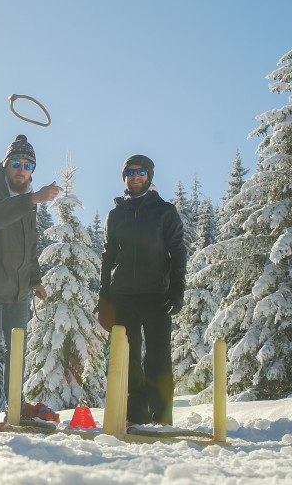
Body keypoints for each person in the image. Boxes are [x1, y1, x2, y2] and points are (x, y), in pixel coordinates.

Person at [0, 134, 62, 426]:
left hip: (19, 291)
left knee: (17, 352)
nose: (22, 170)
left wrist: (35, 279)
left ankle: (15, 410)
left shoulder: (27, 199)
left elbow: (28, 244)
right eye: (17, 164)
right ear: (6, 166)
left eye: (28, 165)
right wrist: (31, 198)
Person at [96, 154, 186, 426]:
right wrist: (103, 296)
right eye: (130, 172)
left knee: (158, 360)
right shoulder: (115, 215)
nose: (135, 176)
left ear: (149, 176)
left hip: (157, 294)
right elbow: (107, 256)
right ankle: (135, 419)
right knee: (129, 361)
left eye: (141, 171)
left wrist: (177, 288)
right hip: (123, 296)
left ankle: (162, 420)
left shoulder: (165, 211)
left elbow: (178, 251)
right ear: (124, 177)